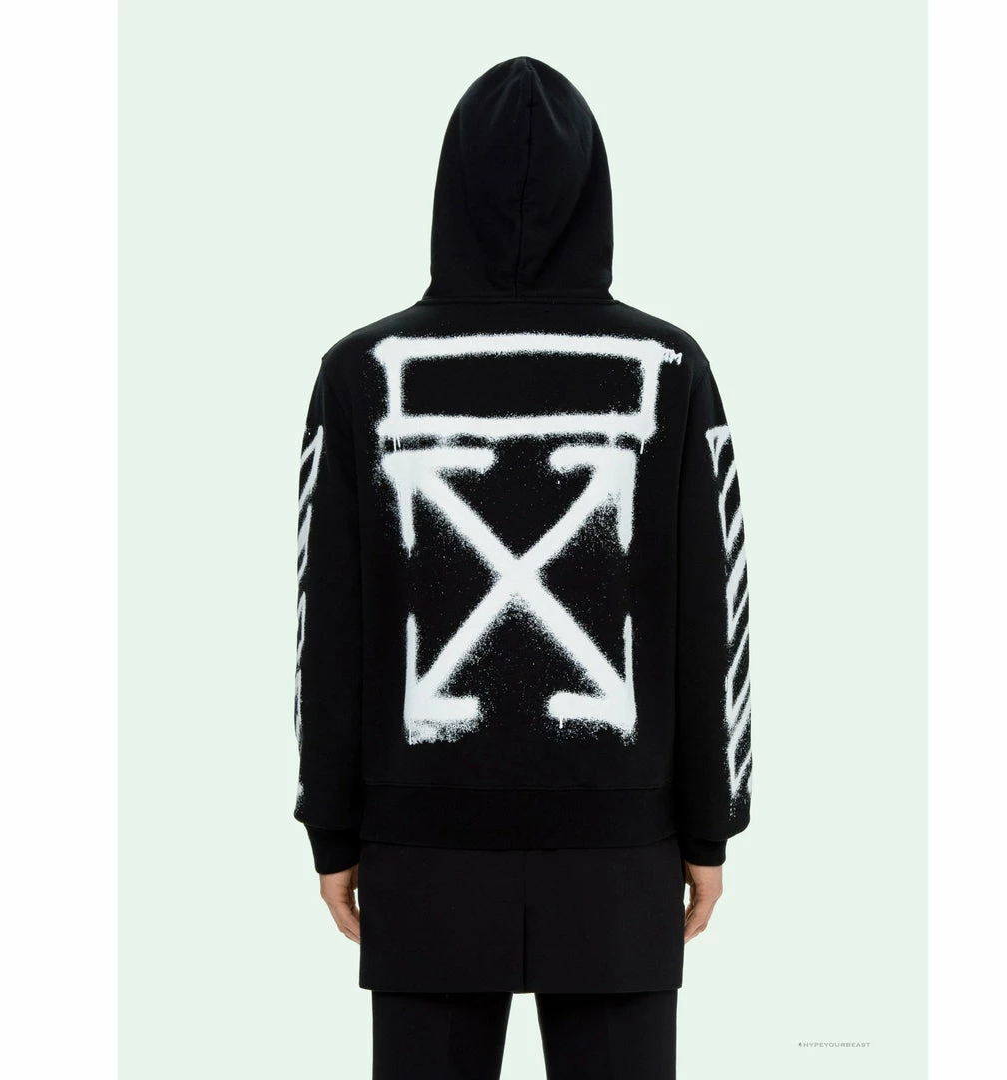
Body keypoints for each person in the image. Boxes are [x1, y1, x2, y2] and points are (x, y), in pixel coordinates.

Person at [292, 55, 753, 1080]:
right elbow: (709, 619)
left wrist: (332, 826)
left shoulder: (359, 371)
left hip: (422, 839)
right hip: (620, 843)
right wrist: (709, 826)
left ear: (449, 184)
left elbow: (330, 622)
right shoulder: (674, 368)